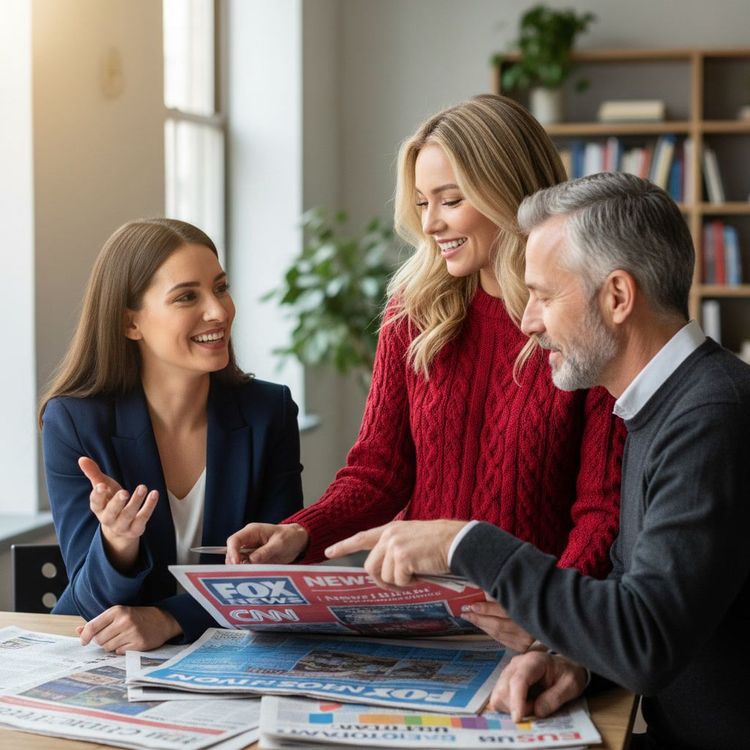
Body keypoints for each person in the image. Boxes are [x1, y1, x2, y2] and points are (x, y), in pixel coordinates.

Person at [328, 172, 750, 750]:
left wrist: (464, 544)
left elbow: (647, 640)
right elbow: (641, 605)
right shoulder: (660, 407)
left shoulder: (710, 416)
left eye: (545, 297)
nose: (527, 322)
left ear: (618, 297)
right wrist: (573, 662)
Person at [227, 94, 626, 609]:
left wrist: (554, 622)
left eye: (451, 200)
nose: (431, 223)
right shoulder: (413, 313)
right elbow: (378, 472)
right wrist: (302, 532)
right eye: (421, 203)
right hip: (417, 610)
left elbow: (600, 511)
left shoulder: (580, 320)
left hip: (528, 619)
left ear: (512, 195)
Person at [39, 218, 303, 653]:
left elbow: (279, 578)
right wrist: (117, 543)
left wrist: (170, 619)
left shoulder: (267, 412)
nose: (218, 311)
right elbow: (91, 603)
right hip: (99, 657)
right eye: (186, 297)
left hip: (233, 653)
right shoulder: (73, 421)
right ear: (131, 324)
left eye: (220, 288)